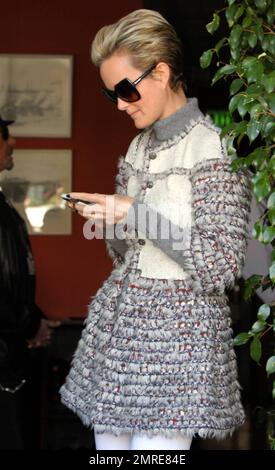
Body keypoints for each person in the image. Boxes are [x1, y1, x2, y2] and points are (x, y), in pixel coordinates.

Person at [60, 9, 251, 450]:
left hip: (178, 340)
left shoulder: (212, 145)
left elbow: (220, 264)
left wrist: (135, 211)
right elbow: (126, 254)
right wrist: (111, 218)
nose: (123, 105)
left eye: (126, 90)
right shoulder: (137, 144)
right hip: (119, 341)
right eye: (114, 96)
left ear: (161, 72)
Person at [0, 116, 58, 449]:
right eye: (5, 136)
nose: (13, 143)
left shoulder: (4, 206)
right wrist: (31, 323)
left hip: (11, 357)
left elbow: (12, 278)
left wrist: (35, 319)